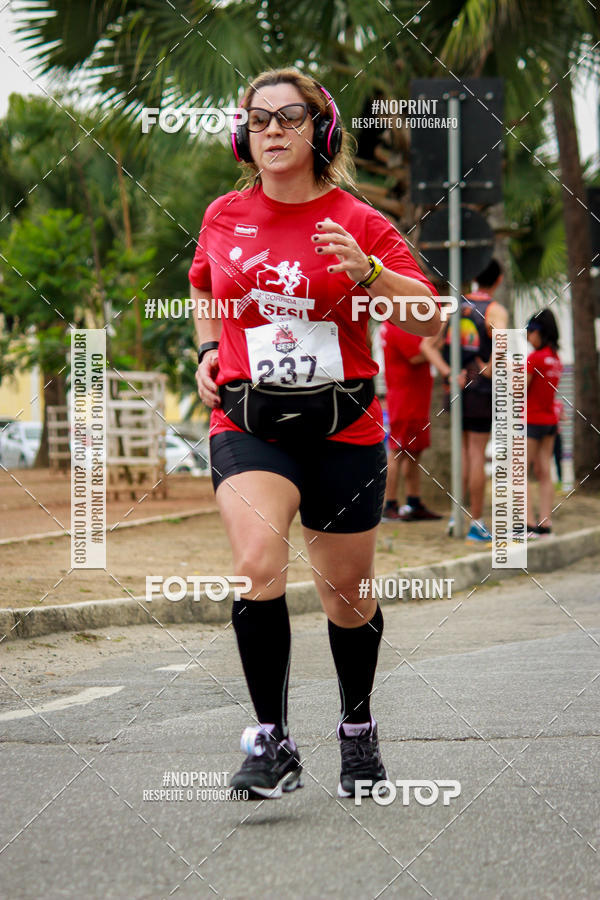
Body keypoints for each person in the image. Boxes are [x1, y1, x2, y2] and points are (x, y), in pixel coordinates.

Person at [189, 67, 441, 800]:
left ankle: (356, 730)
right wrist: (209, 349)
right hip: (248, 421)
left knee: (347, 594)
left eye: (289, 117)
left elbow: (427, 315)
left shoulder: (360, 222)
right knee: (258, 563)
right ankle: (272, 739)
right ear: (244, 135)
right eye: (259, 118)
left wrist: (370, 275)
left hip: (344, 428)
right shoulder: (222, 217)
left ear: (320, 131)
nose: (272, 129)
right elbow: (205, 286)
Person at [421, 259, 508, 543]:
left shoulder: (454, 306)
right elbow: (502, 351)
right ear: (498, 280)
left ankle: (455, 517)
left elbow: (427, 346)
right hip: (481, 391)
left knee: (462, 453)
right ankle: (477, 523)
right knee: (475, 455)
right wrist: (486, 370)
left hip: (455, 388)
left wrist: (448, 372)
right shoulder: (495, 311)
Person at [380, 322, 441, 521]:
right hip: (405, 396)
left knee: (414, 450)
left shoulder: (400, 323)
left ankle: (413, 501)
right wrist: (438, 336)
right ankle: (389, 504)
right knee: (397, 450)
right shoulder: (397, 325)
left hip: (415, 394)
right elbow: (416, 355)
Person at [526, 309, 563, 537]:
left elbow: (518, 389)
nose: (528, 337)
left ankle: (528, 523)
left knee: (520, 472)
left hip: (531, 420)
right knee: (544, 472)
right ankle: (545, 523)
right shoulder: (555, 359)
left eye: (530, 331)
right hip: (550, 421)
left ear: (540, 332)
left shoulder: (535, 359)